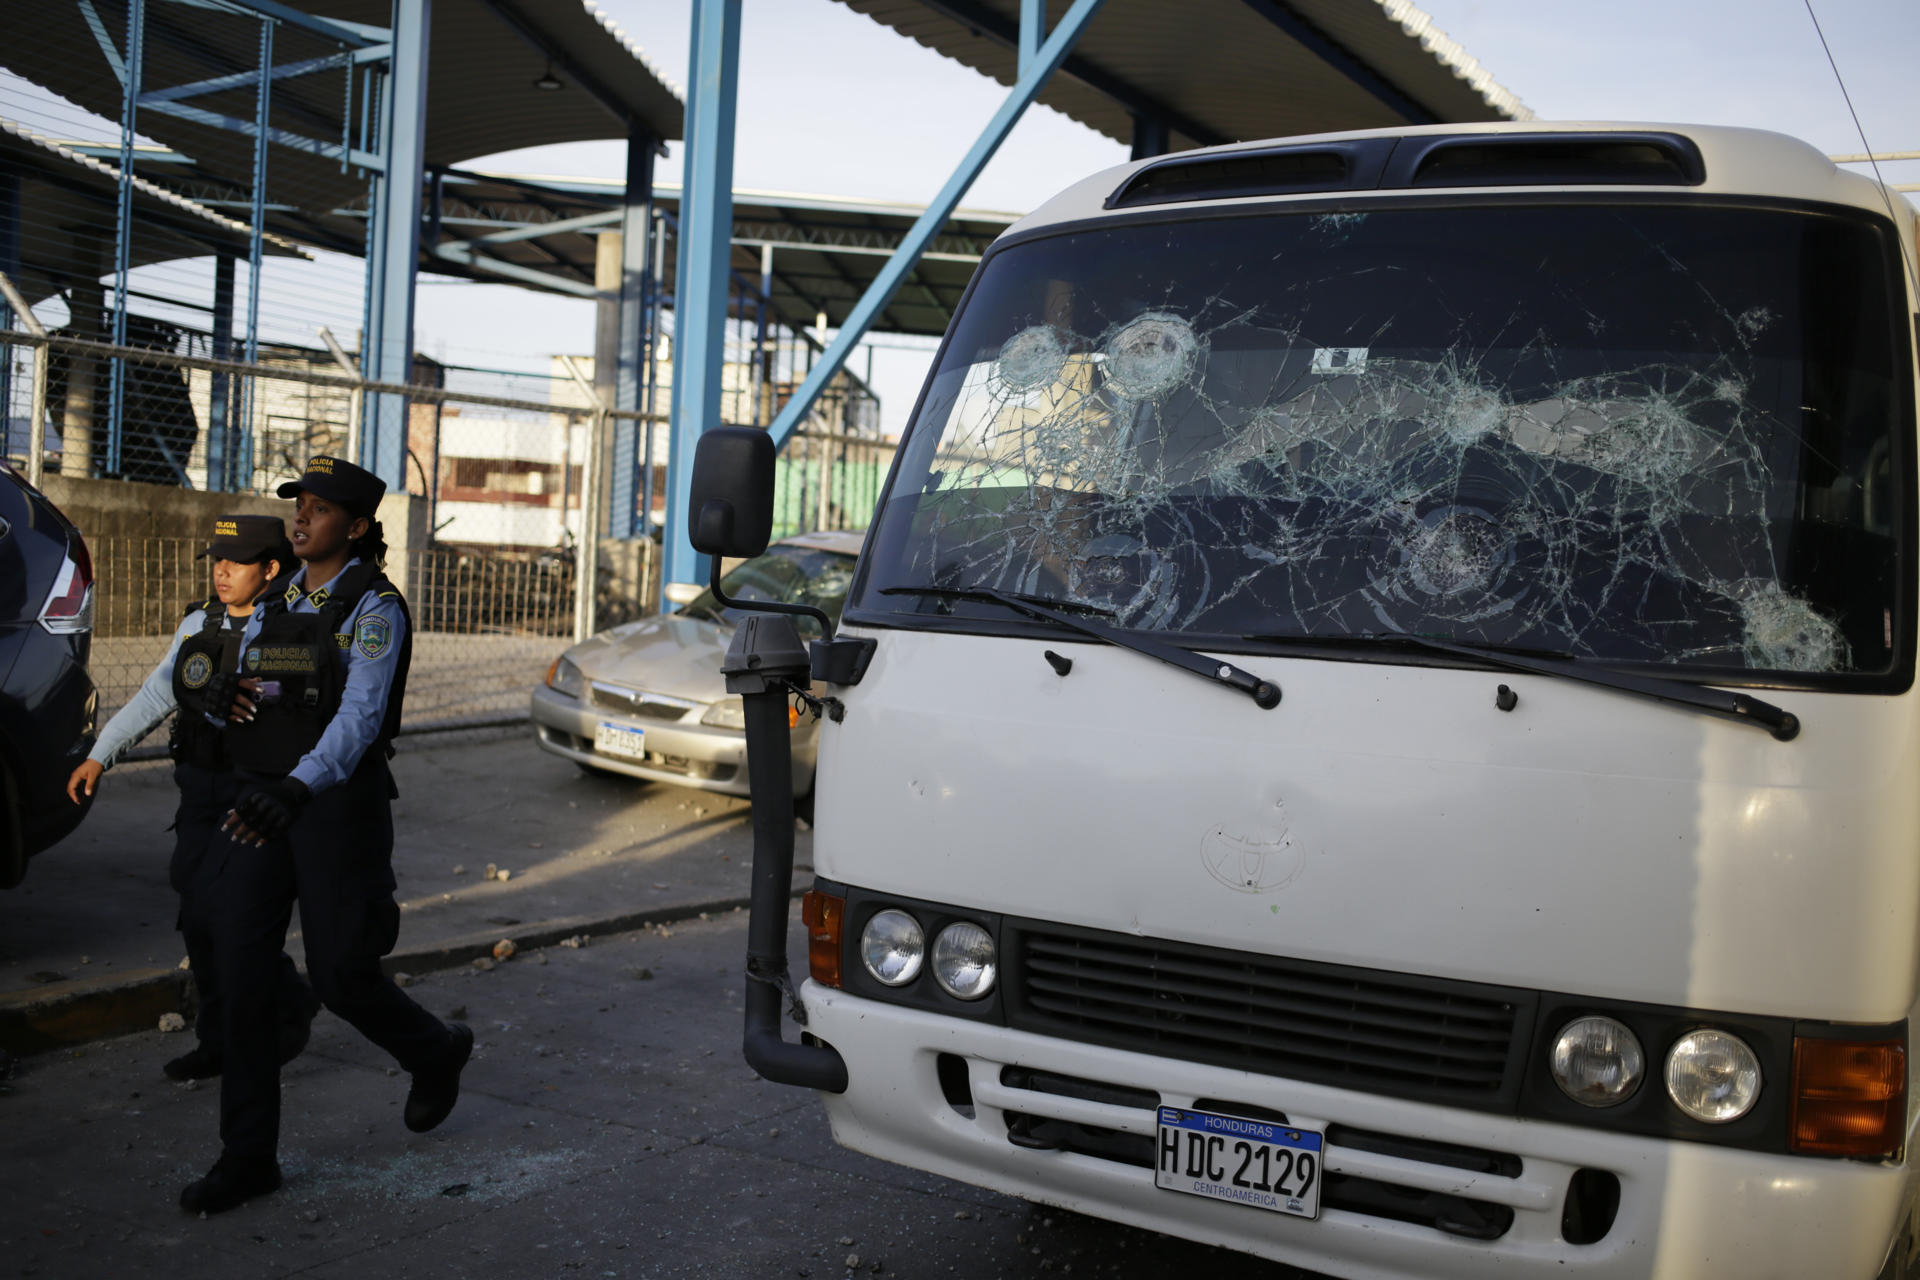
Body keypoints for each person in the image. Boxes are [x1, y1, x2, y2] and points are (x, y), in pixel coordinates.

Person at [181, 456, 471, 1216]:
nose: (302, 517)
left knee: (342, 977)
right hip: (260, 802)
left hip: (331, 809)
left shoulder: (373, 609)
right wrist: (216, 696)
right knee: (243, 972)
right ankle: (248, 1158)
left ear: (360, 527)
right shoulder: (272, 600)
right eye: (298, 504)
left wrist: (298, 787)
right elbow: (250, 695)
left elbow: (359, 718)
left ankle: (435, 1050)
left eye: (319, 507)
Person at [65, 515, 320, 1082]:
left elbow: (305, 687)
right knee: (199, 916)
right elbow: (159, 691)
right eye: (217, 560)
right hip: (198, 788)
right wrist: (99, 754)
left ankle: (268, 1017)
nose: (222, 571)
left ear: (271, 569)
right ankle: (221, 1036)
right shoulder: (199, 622)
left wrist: (261, 687)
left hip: (253, 791)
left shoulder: (292, 625)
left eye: (237, 562)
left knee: (233, 917)